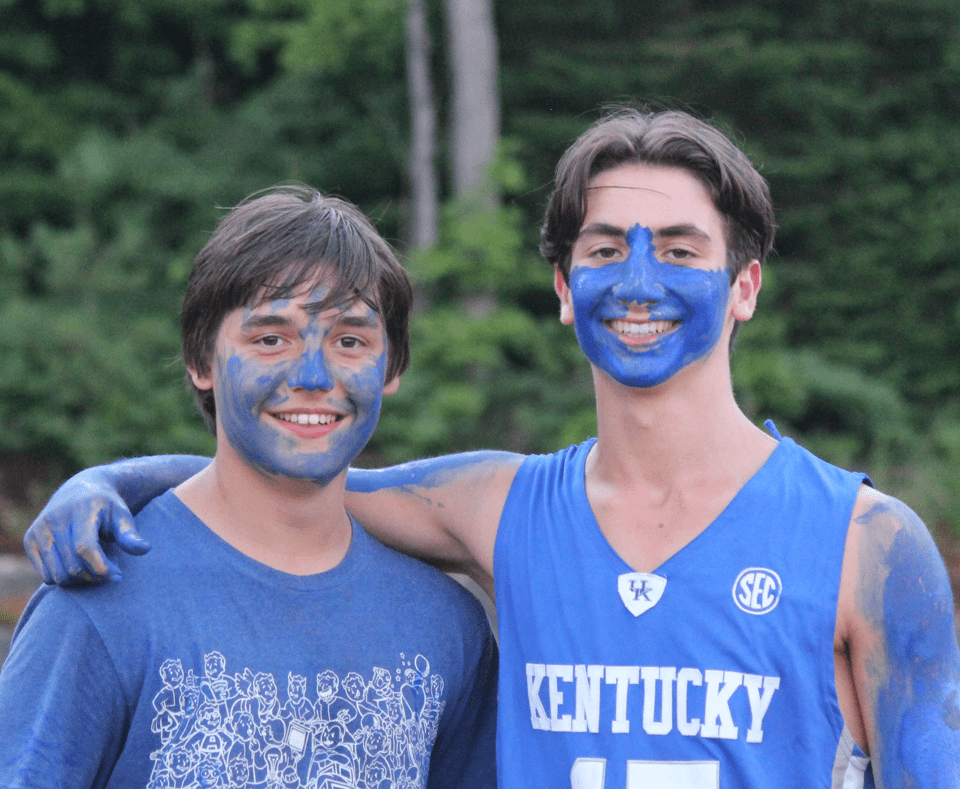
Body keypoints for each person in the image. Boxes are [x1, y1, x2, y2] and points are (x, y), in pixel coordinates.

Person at [22, 109, 960, 788]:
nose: (639, 282)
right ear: (562, 285)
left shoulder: (867, 543)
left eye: (679, 250)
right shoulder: (499, 508)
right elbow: (292, 475)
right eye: (603, 251)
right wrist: (108, 479)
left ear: (744, 284)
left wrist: (110, 474)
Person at [0, 186, 498, 789]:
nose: (314, 376)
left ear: (390, 368)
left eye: (350, 340)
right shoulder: (99, 603)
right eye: (270, 338)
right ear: (201, 361)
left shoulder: (447, 626)